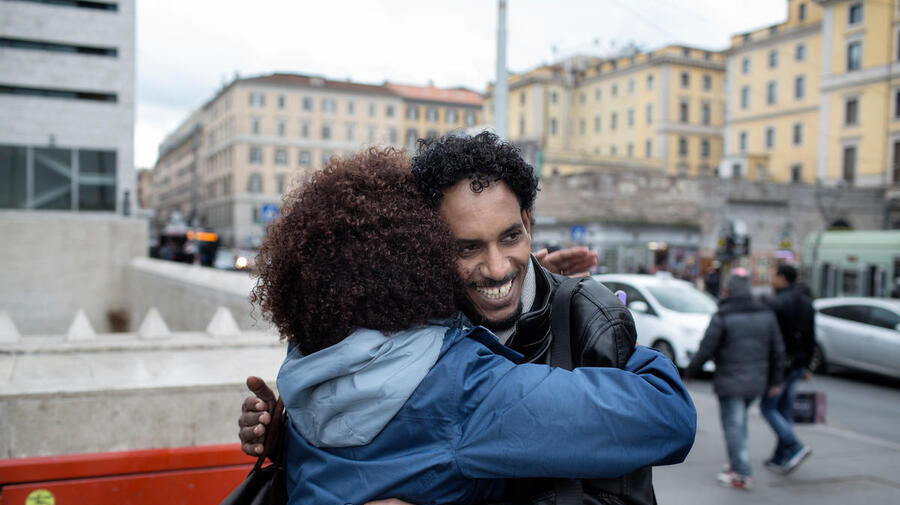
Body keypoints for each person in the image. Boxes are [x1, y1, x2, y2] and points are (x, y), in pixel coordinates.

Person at [240, 132, 697, 505]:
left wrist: (281, 438)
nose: (497, 268)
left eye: (510, 238)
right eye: (466, 247)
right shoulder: (459, 387)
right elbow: (670, 415)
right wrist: (611, 323)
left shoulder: (306, 361)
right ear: (424, 255)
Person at [685, 269, 785, 491]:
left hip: (730, 381)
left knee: (734, 426)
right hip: (757, 382)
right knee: (739, 425)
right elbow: (777, 350)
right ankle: (736, 463)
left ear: (727, 290)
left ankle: (740, 473)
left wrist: (690, 372)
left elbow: (706, 348)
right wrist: (776, 381)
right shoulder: (765, 313)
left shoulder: (723, 315)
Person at [761, 264, 815, 474]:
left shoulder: (776, 303)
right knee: (783, 410)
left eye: (774, 274)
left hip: (780, 367)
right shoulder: (806, 302)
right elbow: (811, 336)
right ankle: (781, 455)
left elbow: (772, 342)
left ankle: (794, 446)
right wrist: (807, 365)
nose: (771, 278)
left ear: (782, 278)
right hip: (798, 364)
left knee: (769, 408)